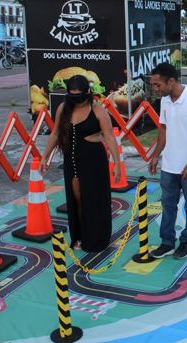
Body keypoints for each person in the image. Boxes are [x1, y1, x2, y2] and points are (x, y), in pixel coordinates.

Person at [40, 75, 121, 252]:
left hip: (93, 159)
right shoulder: (64, 108)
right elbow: (55, 134)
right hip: (72, 158)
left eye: (80, 96)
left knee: (94, 199)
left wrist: (116, 163)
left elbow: (109, 136)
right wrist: (44, 156)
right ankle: (79, 235)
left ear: (88, 92)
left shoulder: (98, 110)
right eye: (72, 96)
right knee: (76, 198)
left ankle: (96, 238)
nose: (77, 100)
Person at [148, 62, 187, 259]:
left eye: (158, 85)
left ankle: (186, 241)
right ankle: (167, 242)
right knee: (168, 204)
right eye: (154, 85)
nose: (155, 89)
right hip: (169, 165)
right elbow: (163, 130)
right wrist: (156, 155)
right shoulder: (165, 100)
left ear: (171, 81)